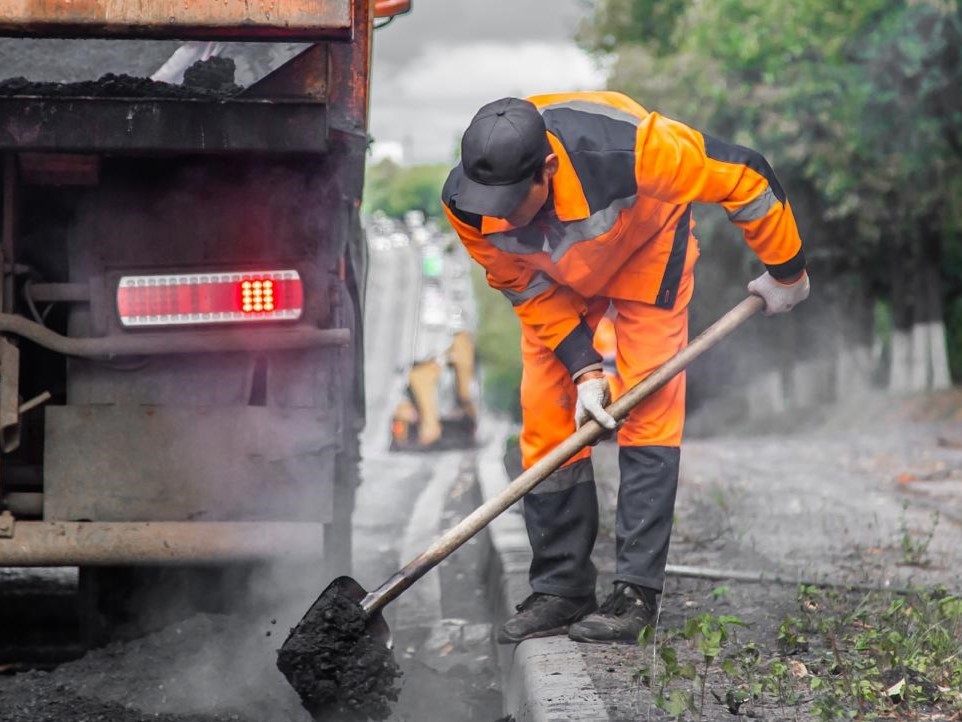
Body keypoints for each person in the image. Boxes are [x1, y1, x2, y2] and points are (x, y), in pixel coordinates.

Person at [441, 92, 809, 643]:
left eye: (515, 199)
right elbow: (524, 287)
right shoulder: (468, 204)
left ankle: (636, 592)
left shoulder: (630, 149)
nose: (501, 211)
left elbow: (746, 175)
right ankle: (561, 589)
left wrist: (786, 269)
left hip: (647, 254)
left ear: (547, 168)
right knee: (545, 420)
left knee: (649, 410)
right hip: (557, 286)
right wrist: (585, 369)